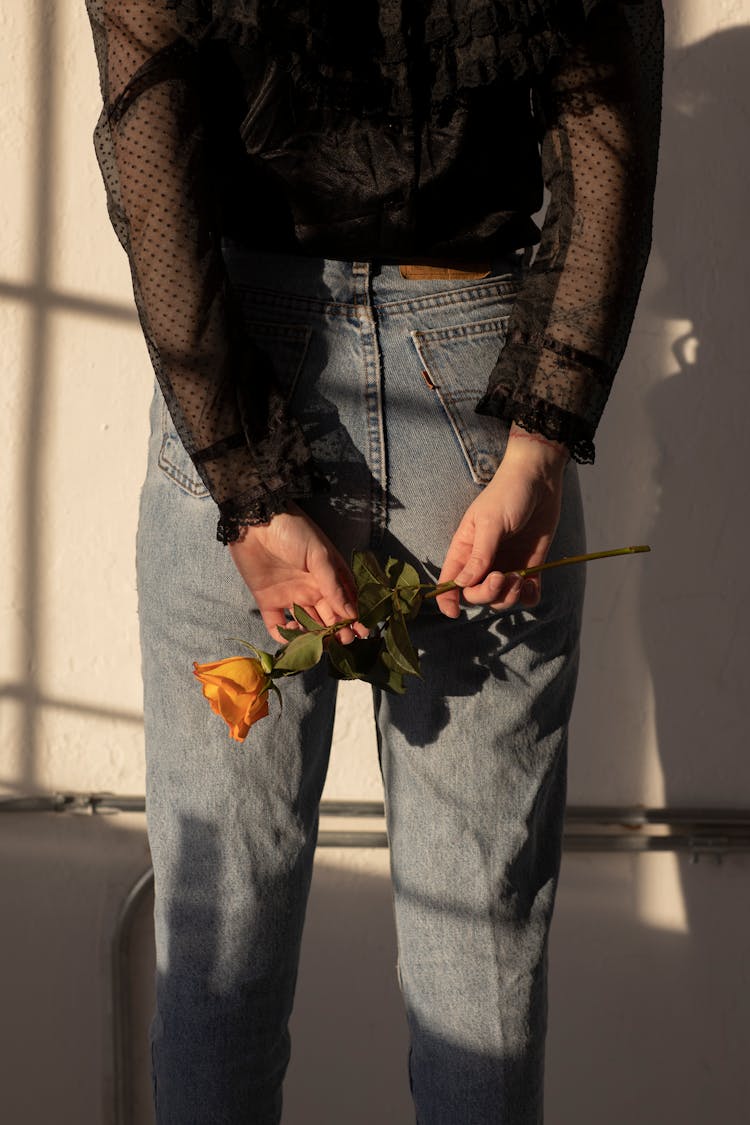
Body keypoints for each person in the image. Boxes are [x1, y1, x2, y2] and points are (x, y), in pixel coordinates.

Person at [86, 1, 663, 1121]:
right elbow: (609, 160)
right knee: (481, 956)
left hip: (237, 367)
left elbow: (149, 174)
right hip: (481, 386)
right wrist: (538, 449)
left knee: (217, 945)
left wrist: (245, 489)